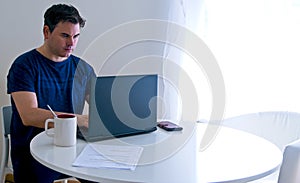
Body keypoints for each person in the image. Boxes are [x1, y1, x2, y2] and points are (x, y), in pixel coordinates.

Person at [7, 4, 96, 183]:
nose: (72, 43)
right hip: (32, 151)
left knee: (106, 176)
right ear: (46, 32)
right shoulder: (24, 66)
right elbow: (29, 115)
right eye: (65, 36)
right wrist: (80, 119)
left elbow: (101, 107)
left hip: (74, 147)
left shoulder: (83, 69)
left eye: (76, 36)